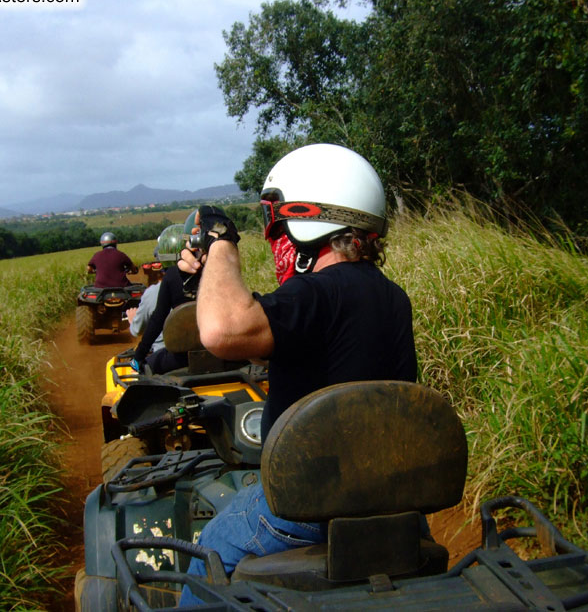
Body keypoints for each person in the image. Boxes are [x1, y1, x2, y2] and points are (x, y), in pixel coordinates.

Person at [177, 143, 417, 606]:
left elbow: (220, 331)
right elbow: (317, 350)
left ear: (311, 221)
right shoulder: (390, 297)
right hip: (392, 502)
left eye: (277, 223)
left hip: (310, 507)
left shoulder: (316, 294)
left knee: (206, 553)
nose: (275, 240)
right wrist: (210, 283)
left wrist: (220, 244)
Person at [129, 218, 202, 375]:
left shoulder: (171, 278)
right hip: (217, 350)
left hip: (180, 357)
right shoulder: (209, 270)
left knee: (145, 368)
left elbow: (158, 319)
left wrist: (139, 356)